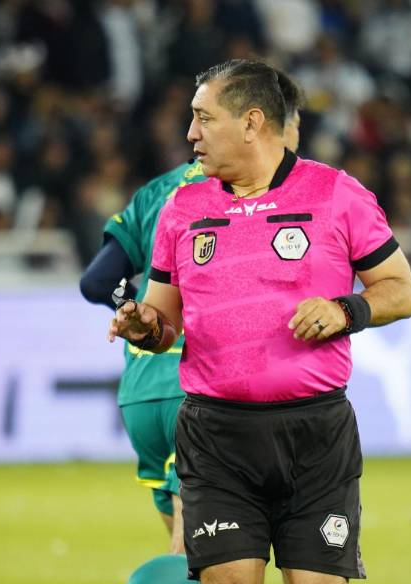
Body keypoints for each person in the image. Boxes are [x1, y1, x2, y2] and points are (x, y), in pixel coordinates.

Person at [107, 58, 411, 584]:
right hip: (216, 436)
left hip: (315, 436)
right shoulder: (183, 207)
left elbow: (400, 289)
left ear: (251, 122)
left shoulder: (336, 194)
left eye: (204, 118)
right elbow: (163, 321)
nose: (191, 133)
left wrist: (346, 311)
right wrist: (142, 326)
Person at [81, 69, 306, 558]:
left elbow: (97, 282)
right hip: (202, 389)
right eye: (294, 126)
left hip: (141, 391)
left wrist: (141, 311)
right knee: (202, 563)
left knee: (199, 563)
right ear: (264, 123)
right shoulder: (250, 194)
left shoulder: (155, 193)